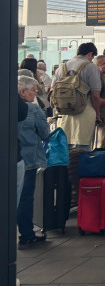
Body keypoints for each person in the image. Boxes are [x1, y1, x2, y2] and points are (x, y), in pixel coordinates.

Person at [17, 75, 50, 248]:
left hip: (12, 157)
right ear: (23, 91)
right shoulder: (33, 110)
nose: (35, 95)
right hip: (28, 158)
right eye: (33, 91)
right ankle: (27, 234)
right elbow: (45, 133)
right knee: (25, 197)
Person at [54, 42, 103, 149]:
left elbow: (52, 90)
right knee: (82, 152)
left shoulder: (61, 67)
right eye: (92, 57)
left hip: (64, 115)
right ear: (90, 54)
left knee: (65, 151)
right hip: (84, 113)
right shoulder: (91, 67)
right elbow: (95, 95)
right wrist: (97, 114)